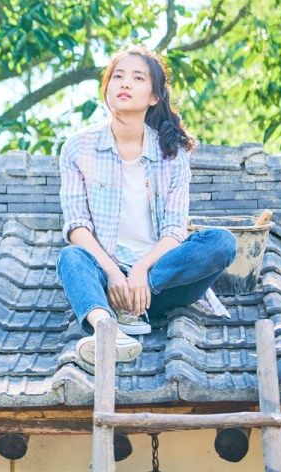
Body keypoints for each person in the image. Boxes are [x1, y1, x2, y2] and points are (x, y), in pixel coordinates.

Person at [57, 46, 237, 364]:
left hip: (161, 282)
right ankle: (106, 328)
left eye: (137, 78)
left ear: (154, 96)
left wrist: (141, 271)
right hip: (106, 278)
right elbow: (76, 226)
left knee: (221, 242)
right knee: (71, 258)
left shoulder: (173, 155)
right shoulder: (77, 148)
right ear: (107, 88)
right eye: (118, 76)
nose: (125, 83)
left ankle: (132, 305)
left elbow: (174, 230)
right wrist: (114, 273)